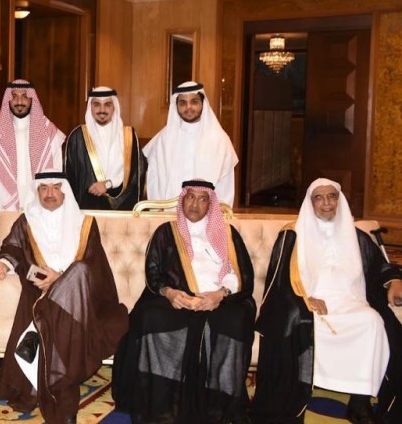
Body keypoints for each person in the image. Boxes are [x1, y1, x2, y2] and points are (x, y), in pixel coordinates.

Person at [251, 178, 402, 424]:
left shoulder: (356, 235)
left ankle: (360, 401)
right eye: (319, 198)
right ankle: (301, 391)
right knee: (302, 323)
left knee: (372, 321)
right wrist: (304, 298)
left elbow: (380, 266)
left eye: (332, 196)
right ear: (310, 203)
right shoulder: (293, 234)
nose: (327, 203)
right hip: (309, 303)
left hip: (351, 301)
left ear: (339, 200)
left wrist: (394, 281)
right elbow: (278, 281)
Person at [112, 180, 255, 424]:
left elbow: (241, 274)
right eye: (191, 197)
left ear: (210, 204)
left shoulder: (228, 234)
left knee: (236, 320)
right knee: (150, 318)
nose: (195, 204)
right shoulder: (166, 232)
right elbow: (153, 273)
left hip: (218, 300)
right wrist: (170, 293)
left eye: (202, 199)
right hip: (178, 299)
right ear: (183, 199)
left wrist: (220, 295)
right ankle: (162, 401)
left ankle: (220, 404)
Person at [0, 171, 128, 423]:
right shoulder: (26, 221)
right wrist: (3, 263)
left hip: (81, 298)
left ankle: (37, 338)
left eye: (56, 187)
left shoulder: (85, 223)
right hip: (39, 291)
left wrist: (62, 278)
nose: (50, 193)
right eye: (44, 188)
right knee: (60, 299)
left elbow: (95, 266)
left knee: (80, 270)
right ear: (37, 191)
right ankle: (62, 394)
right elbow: (12, 247)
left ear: (65, 191)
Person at [143, 81, 238, 206]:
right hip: (171, 212)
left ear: (202, 103)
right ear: (176, 106)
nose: (188, 107)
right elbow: (154, 181)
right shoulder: (163, 139)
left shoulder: (219, 139)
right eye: (182, 103)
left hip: (208, 213)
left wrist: (218, 213)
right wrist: (160, 211)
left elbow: (226, 184)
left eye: (194, 102)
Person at [0, 79, 65, 227]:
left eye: (24, 96)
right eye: (14, 96)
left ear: (32, 99)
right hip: (4, 211)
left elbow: (57, 173)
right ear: (8, 100)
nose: (19, 101)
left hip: (42, 210)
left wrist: (55, 208)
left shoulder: (48, 131)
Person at [65, 86, 146, 211]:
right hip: (88, 209)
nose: (102, 110)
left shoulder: (129, 136)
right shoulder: (77, 137)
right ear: (90, 107)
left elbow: (137, 174)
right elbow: (70, 180)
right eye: (96, 104)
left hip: (123, 209)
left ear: (114, 107)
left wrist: (108, 184)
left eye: (107, 105)